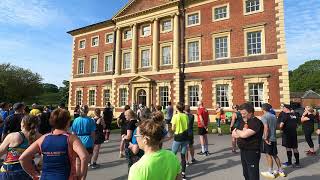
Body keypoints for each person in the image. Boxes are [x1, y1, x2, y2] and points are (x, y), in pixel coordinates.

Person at [20, 108, 89, 180]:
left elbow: (22, 158)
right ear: (68, 122)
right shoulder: (71, 138)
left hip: (45, 177)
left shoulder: (43, 138)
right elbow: (84, 157)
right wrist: (82, 177)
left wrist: (34, 174)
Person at [0, 115, 41, 180]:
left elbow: (0, 152)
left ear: (23, 123)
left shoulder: (13, 136)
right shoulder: (41, 137)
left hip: (9, 171)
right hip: (29, 171)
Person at [232, 102, 263, 180]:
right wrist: (240, 132)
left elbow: (243, 135)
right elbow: (233, 133)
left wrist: (239, 133)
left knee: (253, 174)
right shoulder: (243, 121)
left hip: (252, 151)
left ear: (251, 113)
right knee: (246, 173)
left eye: (244, 113)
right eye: (241, 113)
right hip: (243, 150)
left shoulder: (256, 122)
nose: (242, 115)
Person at [260, 103, 286, 178]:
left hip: (268, 138)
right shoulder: (274, 116)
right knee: (274, 154)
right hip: (273, 138)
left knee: (268, 155)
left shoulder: (264, 116)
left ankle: (270, 172)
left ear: (263, 109)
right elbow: (277, 127)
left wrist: (265, 138)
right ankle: (280, 170)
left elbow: (266, 128)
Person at [71, 105, 96, 172]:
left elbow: (73, 133)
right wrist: (93, 143)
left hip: (78, 142)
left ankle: (77, 177)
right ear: (87, 111)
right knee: (85, 163)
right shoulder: (90, 120)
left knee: (78, 162)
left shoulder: (76, 120)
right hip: (88, 142)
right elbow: (93, 134)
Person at [171, 102, 188, 180]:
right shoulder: (186, 116)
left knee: (172, 155)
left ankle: (173, 173)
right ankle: (183, 174)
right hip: (185, 136)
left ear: (177, 108)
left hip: (178, 137)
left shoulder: (175, 116)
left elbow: (173, 128)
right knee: (183, 156)